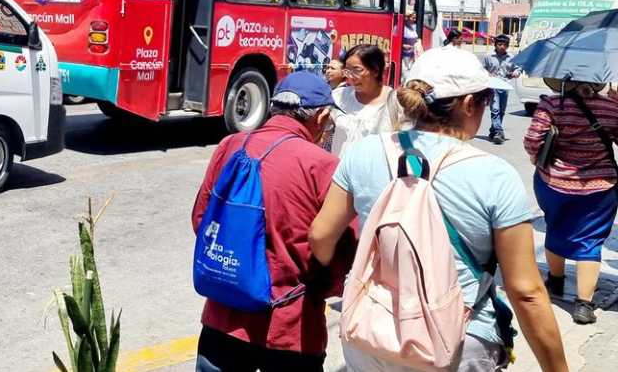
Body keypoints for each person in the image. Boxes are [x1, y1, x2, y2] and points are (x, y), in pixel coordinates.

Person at [310, 48, 568, 372]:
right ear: (469, 103)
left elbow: (321, 236)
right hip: (458, 342)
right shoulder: (496, 175)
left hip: (372, 333)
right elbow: (526, 292)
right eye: (485, 101)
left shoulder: (362, 152)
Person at [192, 71, 352, 372]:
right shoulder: (322, 165)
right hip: (292, 326)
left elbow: (201, 219)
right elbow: (341, 250)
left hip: (224, 317)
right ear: (321, 116)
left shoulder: (230, 145)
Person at [522, 79, 618, 325]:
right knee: (590, 240)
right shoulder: (609, 107)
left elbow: (532, 141)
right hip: (600, 187)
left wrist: (536, 159)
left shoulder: (551, 104)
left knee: (556, 226)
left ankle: (555, 280)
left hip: (553, 183)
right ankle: (584, 305)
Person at [329, 44, 402, 155]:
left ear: (375, 71)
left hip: (378, 171)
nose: (351, 77)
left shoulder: (397, 102)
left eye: (357, 70)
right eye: (347, 71)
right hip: (341, 169)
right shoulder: (338, 97)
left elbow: (407, 144)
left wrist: (414, 170)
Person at [480, 35, 521, 144]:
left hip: (504, 85)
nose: (502, 46)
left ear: (507, 46)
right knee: (495, 109)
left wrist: (516, 73)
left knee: (501, 110)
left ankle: (493, 130)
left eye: (504, 45)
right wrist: (486, 74)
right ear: (495, 45)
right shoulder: (488, 56)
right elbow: (482, 69)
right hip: (492, 86)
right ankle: (499, 131)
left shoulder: (511, 57)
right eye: (499, 44)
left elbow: (517, 68)